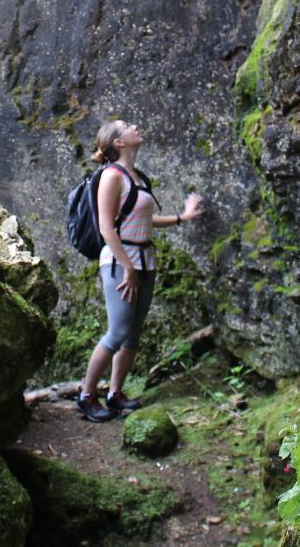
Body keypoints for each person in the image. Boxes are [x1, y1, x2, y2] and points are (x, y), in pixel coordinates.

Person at [76, 119, 204, 422]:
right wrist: (128, 267)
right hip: (121, 261)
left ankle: (115, 393)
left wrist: (181, 218)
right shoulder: (112, 175)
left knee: (133, 334)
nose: (134, 126)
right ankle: (86, 395)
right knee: (117, 332)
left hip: (145, 260)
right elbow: (106, 228)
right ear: (118, 142)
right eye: (126, 125)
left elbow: (142, 218)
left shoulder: (137, 176)